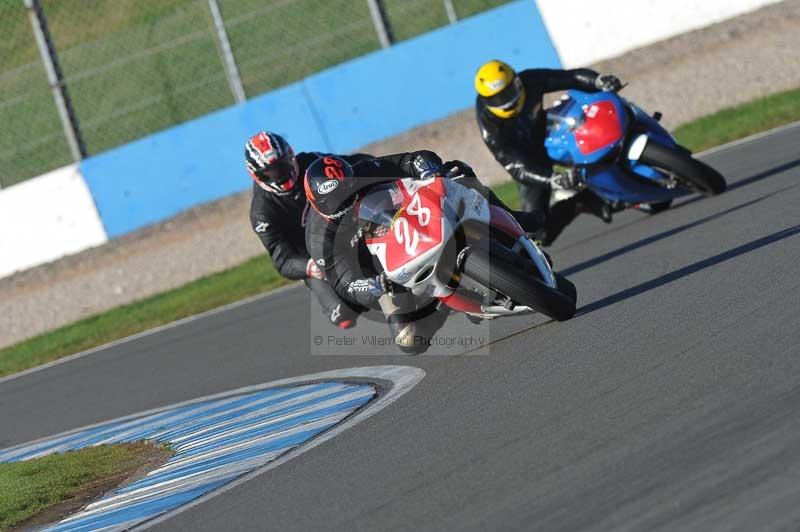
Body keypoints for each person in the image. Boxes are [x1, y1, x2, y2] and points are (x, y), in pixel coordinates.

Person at [304, 151, 533, 354]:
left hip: (413, 218)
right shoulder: (319, 239)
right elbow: (346, 283)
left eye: (347, 191)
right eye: (334, 202)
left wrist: (429, 170)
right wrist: (375, 285)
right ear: (318, 205)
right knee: (410, 340)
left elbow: (412, 159)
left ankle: (516, 226)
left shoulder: (365, 170)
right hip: (384, 272)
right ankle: (443, 303)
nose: (345, 203)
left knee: (459, 172)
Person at [474, 59, 624, 244]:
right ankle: (579, 201)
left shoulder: (530, 80)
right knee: (537, 234)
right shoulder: (488, 122)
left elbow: (571, 77)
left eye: (508, 92)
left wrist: (598, 80)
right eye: (496, 99)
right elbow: (515, 166)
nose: (505, 102)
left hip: (551, 135)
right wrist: (552, 180)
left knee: (591, 126)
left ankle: (622, 156)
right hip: (529, 162)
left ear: (517, 82)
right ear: (486, 100)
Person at [245, 130, 371, 329]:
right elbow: (282, 258)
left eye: (282, 165)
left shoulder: (313, 163)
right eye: (271, 172)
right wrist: (310, 266)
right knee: (344, 316)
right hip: (315, 258)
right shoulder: (262, 214)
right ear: (256, 175)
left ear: (291, 156)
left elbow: (353, 164)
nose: (280, 175)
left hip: (344, 230)